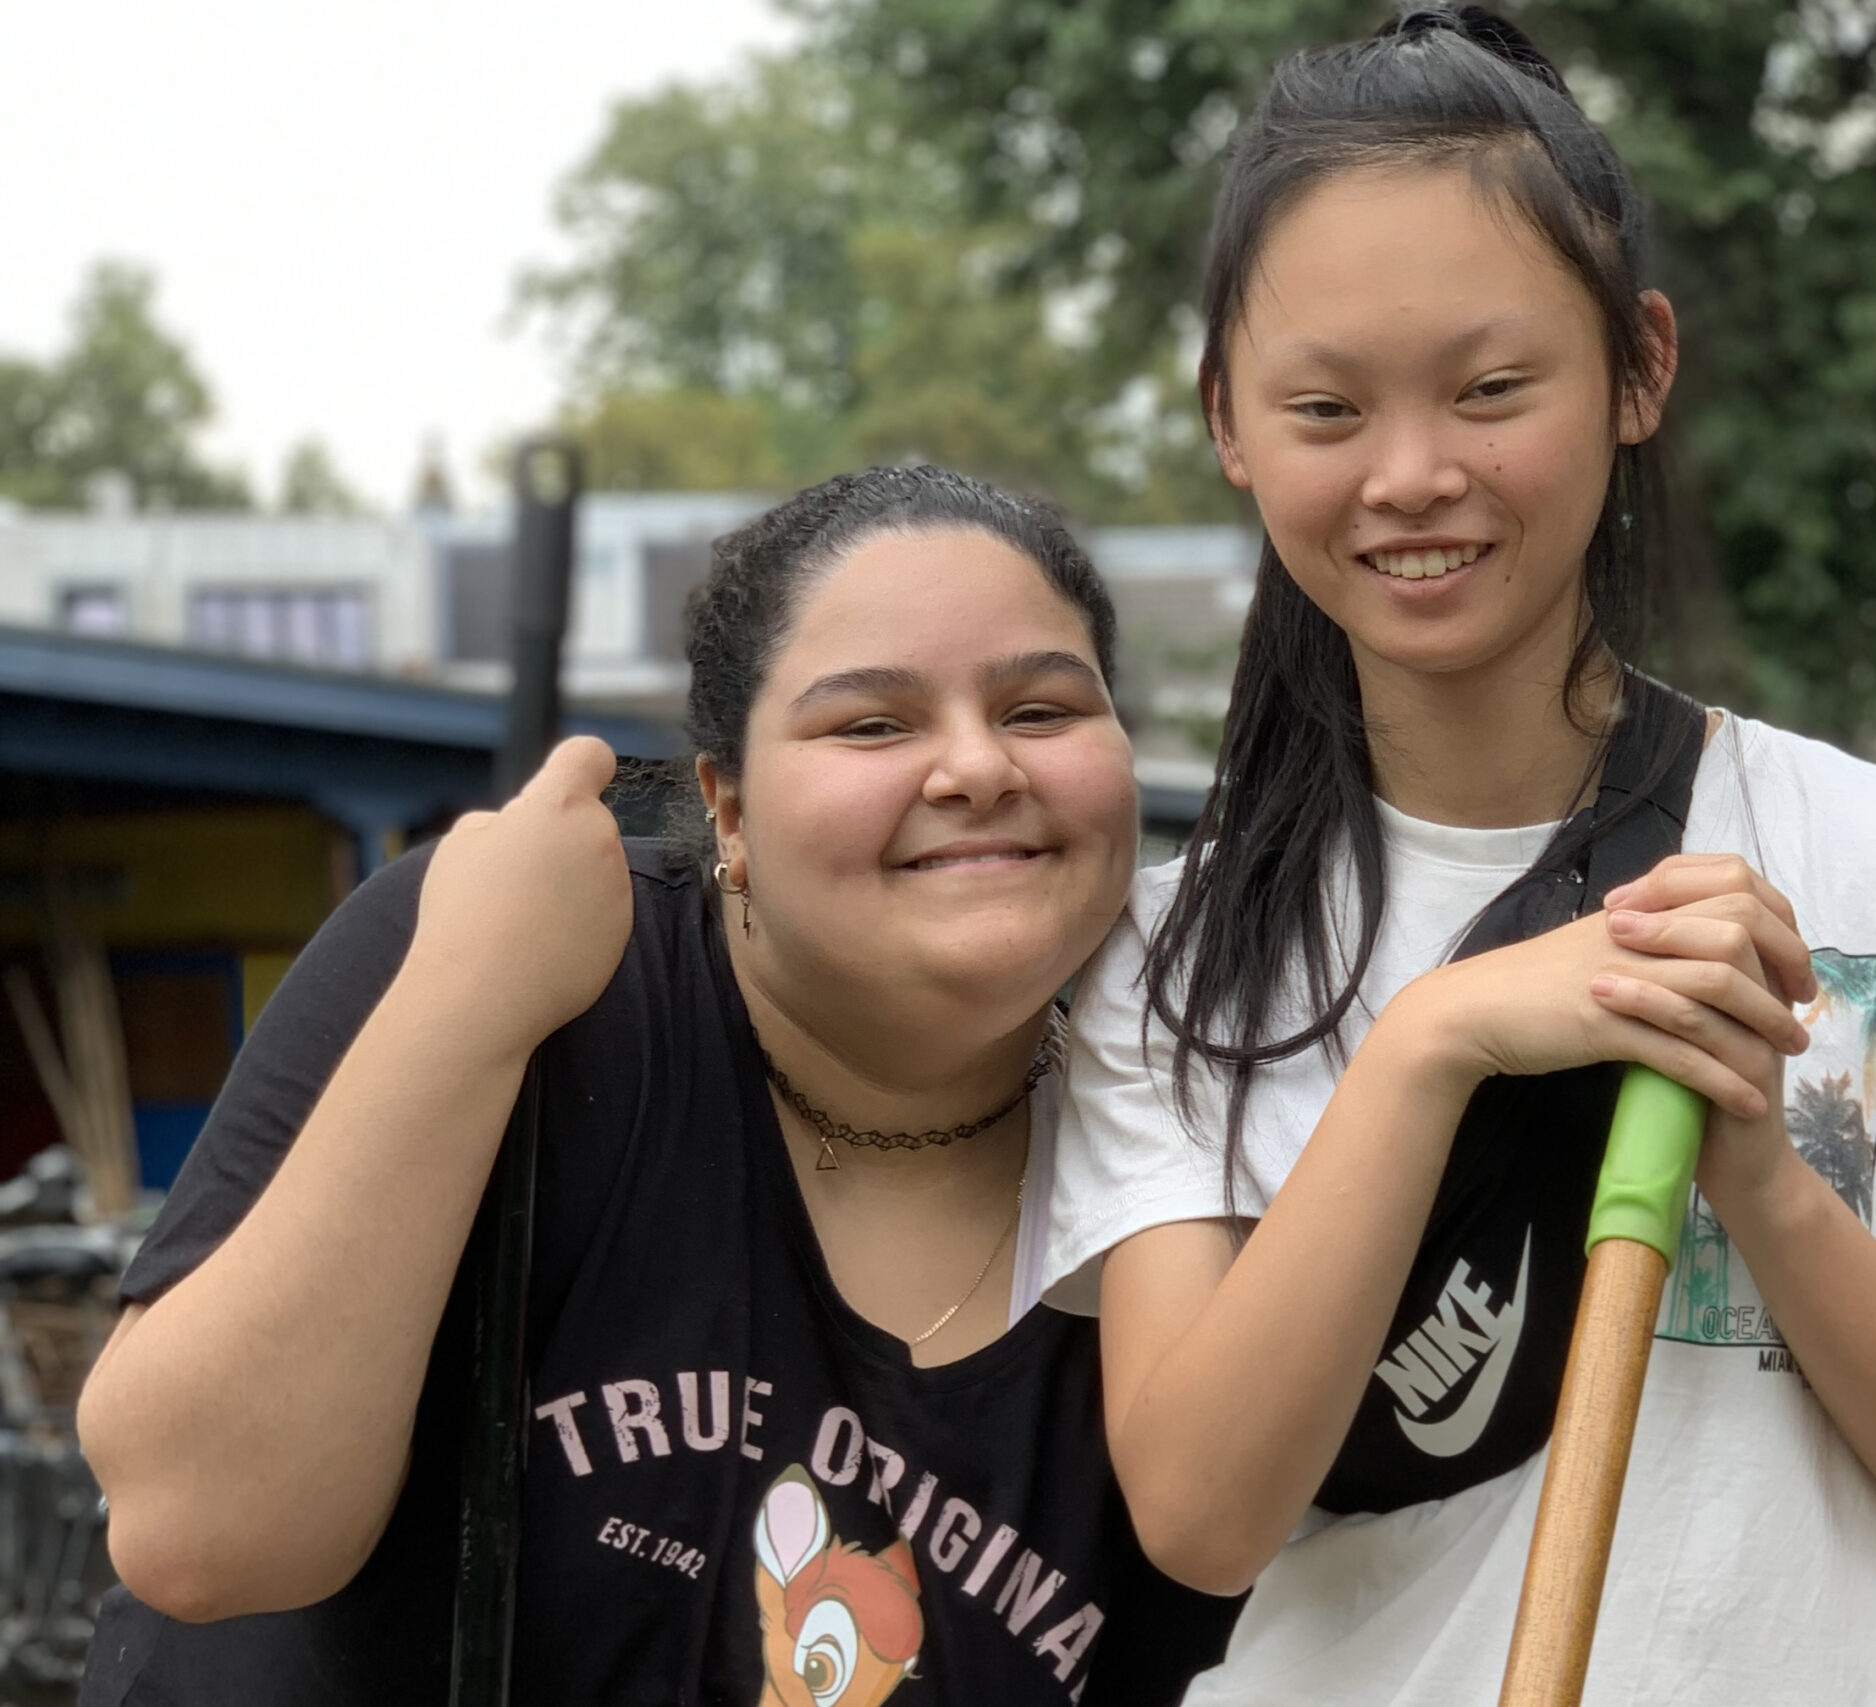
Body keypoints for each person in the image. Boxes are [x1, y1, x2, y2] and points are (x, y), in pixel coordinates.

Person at [1041, 9, 1876, 1704]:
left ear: (1639, 369)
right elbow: (1201, 1513)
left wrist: (1768, 1181)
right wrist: (1435, 1044)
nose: (1414, 475)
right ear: (1229, 419)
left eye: (1494, 390)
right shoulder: (1174, 955)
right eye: (1328, 406)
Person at [76, 466, 1237, 1706]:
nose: (975, 767)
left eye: (1044, 709)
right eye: (872, 725)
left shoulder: (1197, 1134)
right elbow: (202, 1534)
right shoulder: (524, 960)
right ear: (725, 809)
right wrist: (466, 1002)